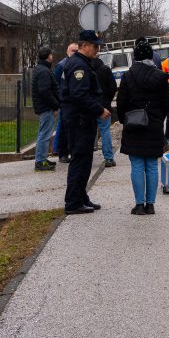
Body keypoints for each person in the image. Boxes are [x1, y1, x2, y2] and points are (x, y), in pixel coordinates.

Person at [116, 38, 169, 215]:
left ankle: (139, 204)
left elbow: (121, 102)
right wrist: (159, 118)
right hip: (154, 125)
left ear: (135, 57)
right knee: (151, 165)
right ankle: (151, 204)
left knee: (136, 165)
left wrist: (124, 119)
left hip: (133, 125)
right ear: (151, 56)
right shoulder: (160, 77)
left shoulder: (128, 76)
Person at [59, 31, 109, 214]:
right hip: (79, 120)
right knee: (80, 160)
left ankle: (81, 196)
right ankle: (73, 202)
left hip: (82, 119)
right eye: (95, 46)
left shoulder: (81, 63)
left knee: (85, 160)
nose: (97, 49)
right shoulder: (78, 65)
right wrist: (99, 110)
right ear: (85, 45)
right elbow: (79, 94)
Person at [30, 47, 59, 171]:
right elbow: (45, 91)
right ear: (49, 56)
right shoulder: (44, 71)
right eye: (51, 55)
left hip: (43, 107)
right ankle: (40, 161)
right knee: (45, 134)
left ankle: (42, 158)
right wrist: (55, 105)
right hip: (46, 107)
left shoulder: (41, 69)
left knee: (44, 133)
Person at [90, 48, 119, 167]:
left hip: (90, 105)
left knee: (90, 132)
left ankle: (88, 157)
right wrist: (108, 99)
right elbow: (113, 87)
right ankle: (108, 158)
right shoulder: (105, 69)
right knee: (105, 131)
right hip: (104, 105)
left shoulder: (87, 69)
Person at [52, 42, 79, 162]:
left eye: (76, 51)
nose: (74, 53)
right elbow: (55, 84)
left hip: (75, 102)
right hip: (65, 102)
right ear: (67, 51)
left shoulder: (78, 64)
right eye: (73, 50)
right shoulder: (61, 66)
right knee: (63, 127)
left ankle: (72, 151)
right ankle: (62, 152)